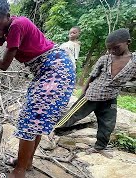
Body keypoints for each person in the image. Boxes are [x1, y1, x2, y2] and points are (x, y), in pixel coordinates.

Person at [0, 0, 75, 177]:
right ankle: (26, 162)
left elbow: (3, 64)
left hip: (56, 69)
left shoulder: (17, 26)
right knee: (35, 119)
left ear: (7, 15)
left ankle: (19, 171)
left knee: (30, 120)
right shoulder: (3, 31)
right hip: (45, 72)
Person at [55, 28, 136, 158]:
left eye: (115, 48)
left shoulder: (134, 62)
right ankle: (52, 130)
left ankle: (99, 147)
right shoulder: (105, 59)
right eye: (109, 49)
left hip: (110, 98)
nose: (111, 51)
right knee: (73, 115)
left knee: (108, 123)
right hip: (92, 95)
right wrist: (83, 94)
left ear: (128, 42)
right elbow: (91, 77)